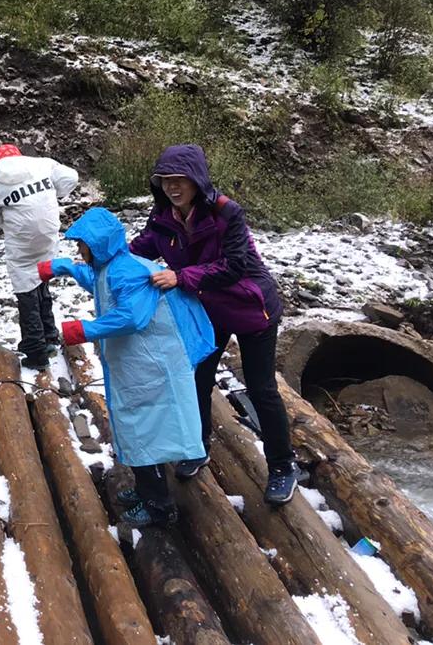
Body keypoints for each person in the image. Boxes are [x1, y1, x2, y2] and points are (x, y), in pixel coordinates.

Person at [129, 143, 296, 505]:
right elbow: (141, 248)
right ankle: (197, 447)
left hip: (253, 309)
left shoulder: (226, 213)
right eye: (165, 180)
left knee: (261, 388)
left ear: (197, 180)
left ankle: (283, 466)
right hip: (209, 312)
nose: (173, 187)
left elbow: (235, 265)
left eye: (180, 180)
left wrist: (180, 276)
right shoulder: (163, 216)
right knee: (198, 380)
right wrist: (102, 252)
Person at [41, 207, 215, 528]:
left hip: (152, 368)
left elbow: (132, 317)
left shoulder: (129, 272)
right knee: (137, 432)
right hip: (136, 366)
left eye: (83, 246)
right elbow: (95, 280)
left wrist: (81, 330)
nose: (80, 251)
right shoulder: (111, 267)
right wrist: (62, 267)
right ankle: (146, 492)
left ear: (99, 245)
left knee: (147, 435)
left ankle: (159, 508)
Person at [0, 143, 79, 369]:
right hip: (48, 232)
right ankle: (50, 336)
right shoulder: (42, 164)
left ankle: (36, 352)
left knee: (26, 290)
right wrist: (54, 195)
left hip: (21, 239)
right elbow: (71, 178)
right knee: (42, 279)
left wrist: (8, 222)